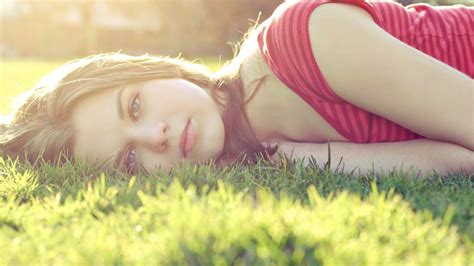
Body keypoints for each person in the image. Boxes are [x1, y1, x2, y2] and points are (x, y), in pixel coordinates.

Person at [1, 0, 473, 177]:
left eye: (136, 105)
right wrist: (321, 157)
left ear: (160, 69)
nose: (155, 137)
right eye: (130, 159)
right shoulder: (262, 152)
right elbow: (458, 165)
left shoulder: (305, 41)